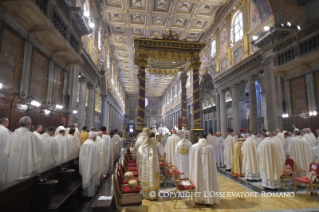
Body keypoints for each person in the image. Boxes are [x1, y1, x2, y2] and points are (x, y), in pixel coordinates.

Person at [5, 116, 43, 183]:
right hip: (25, 163)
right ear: (29, 124)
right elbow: (40, 147)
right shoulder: (31, 136)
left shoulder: (12, 135)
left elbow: (7, 151)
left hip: (12, 163)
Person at [189, 133, 220, 205]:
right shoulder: (210, 147)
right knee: (208, 180)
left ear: (199, 137)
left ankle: (199, 199)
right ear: (206, 138)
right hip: (208, 170)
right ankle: (208, 199)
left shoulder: (194, 147)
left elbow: (191, 160)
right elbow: (212, 162)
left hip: (197, 169)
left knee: (198, 179)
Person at [79, 132, 100, 197]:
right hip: (92, 164)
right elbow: (97, 156)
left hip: (84, 163)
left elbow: (81, 154)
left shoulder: (84, 143)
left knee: (85, 176)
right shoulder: (94, 145)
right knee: (92, 178)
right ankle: (90, 194)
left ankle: (84, 193)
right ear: (94, 138)